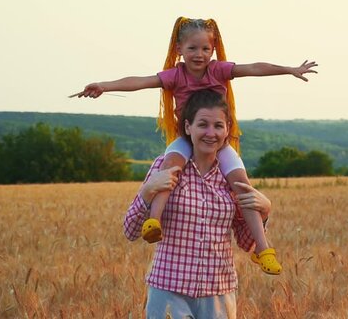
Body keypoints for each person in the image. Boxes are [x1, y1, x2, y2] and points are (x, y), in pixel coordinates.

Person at [76, 17, 317, 274]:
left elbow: (253, 68)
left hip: (219, 143)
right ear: (179, 49)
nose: (199, 54)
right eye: (192, 48)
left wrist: (289, 69)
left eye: (205, 48)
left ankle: (263, 249)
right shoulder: (175, 75)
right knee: (169, 170)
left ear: (213, 50)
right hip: (186, 138)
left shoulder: (218, 70)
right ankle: (153, 222)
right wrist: (104, 86)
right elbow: (140, 81)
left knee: (242, 186)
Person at [124, 90, 274, 318]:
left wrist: (264, 212)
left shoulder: (232, 178)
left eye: (218, 126)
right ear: (188, 127)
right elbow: (131, 231)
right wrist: (147, 191)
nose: (211, 133)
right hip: (168, 290)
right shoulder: (164, 167)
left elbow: (246, 243)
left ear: (227, 130)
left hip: (219, 295)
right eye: (203, 124)